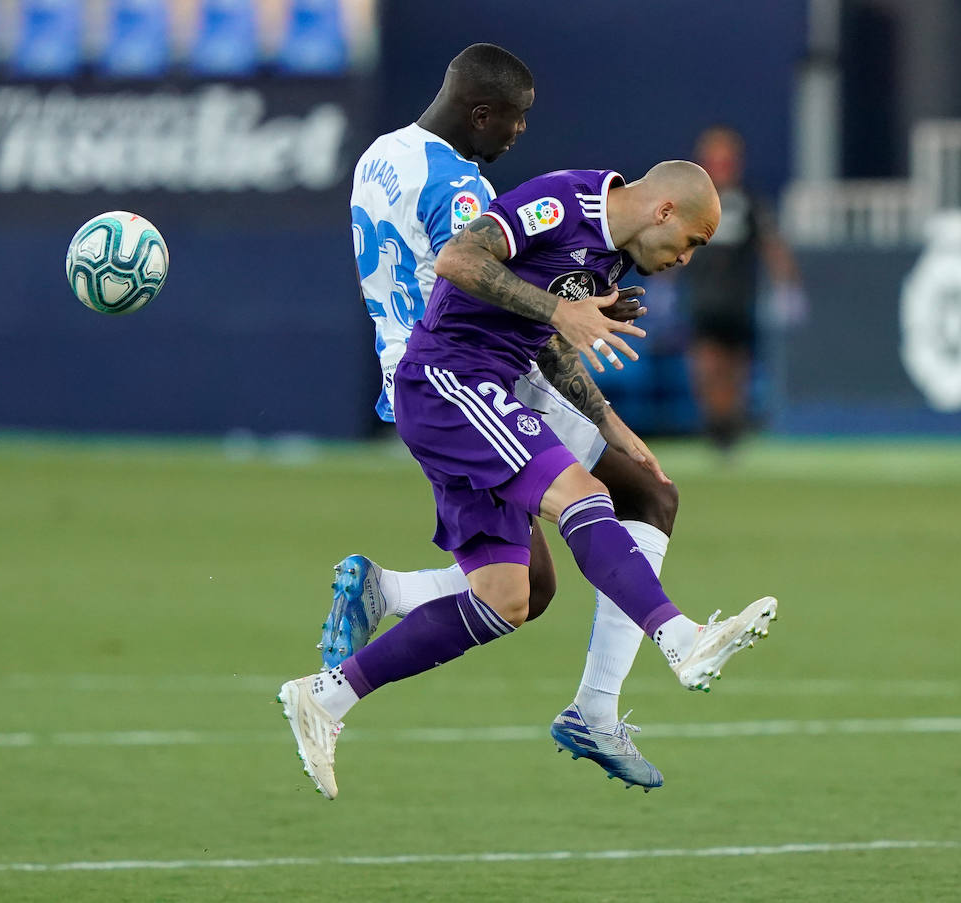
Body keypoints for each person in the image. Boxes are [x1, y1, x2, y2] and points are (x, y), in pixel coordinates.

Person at [279, 162, 779, 800]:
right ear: (664, 212)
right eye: (691, 240)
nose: (686, 257)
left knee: (509, 598)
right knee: (587, 497)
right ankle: (681, 639)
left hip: (476, 388)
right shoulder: (563, 201)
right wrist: (558, 310)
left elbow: (547, 336)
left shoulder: (609, 260)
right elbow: (461, 258)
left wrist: (608, 420)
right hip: (451, 378)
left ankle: (325, 697)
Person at [332, 43, 680, 789]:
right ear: (480, 113)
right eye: (514, 123)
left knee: (524, 590)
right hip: (479, 378)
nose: (518, 137)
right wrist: (570, 310)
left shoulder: (379, 157)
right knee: (648, 493)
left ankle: (384, 593)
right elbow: (477, 277)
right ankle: (604, 701)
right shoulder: (462, 189)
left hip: (408, 377)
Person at [679, 125, 803, 452]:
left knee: (735, 370)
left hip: (738, 300)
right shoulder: (691, 203)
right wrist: (661, 283)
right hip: (703, 300)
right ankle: (714, 425)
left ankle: (732, 428)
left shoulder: (749, 202)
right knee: (707, 367)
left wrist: (787, 287)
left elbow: (772, 245)